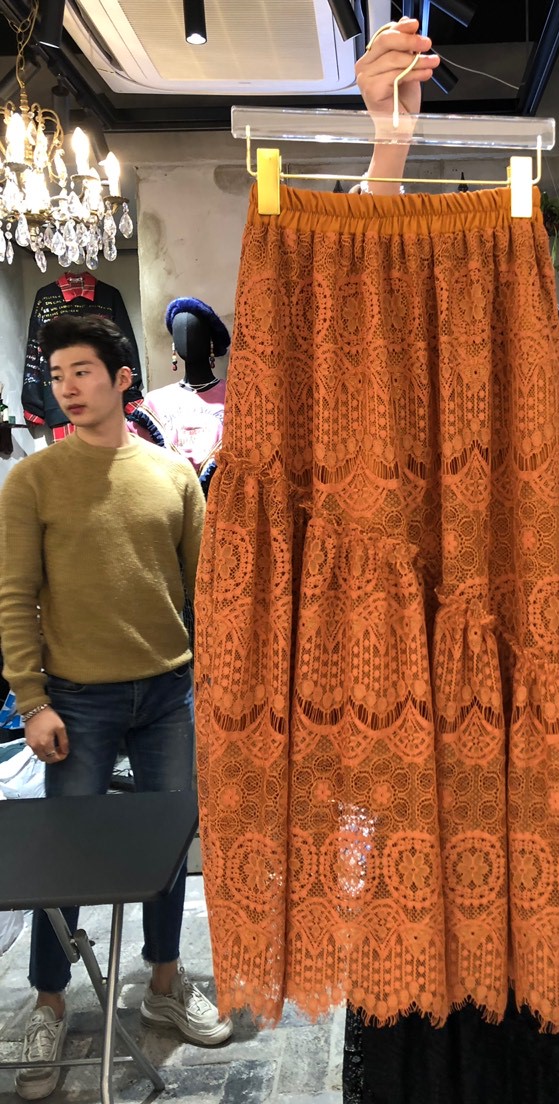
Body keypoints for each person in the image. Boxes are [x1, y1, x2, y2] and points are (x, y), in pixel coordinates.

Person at [341, 20, 559, 1103]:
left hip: (558, 847)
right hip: (423, 842)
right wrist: (386, 154)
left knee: (549, 1064)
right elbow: (352, 347)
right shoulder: (402, 513)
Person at [0, 314, 232, 1102]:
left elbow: (207, 593)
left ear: (122, 378)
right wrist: (31, 701)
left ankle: (164, 981)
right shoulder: (32, 482)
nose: (67, 388)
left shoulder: (173, 476)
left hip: (169, 691)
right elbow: (14, 597)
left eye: (82, 372)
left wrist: (216, 684)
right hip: (76, 698)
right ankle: (49, 1000)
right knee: (62, 853)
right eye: (57, 375)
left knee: (167, 846)